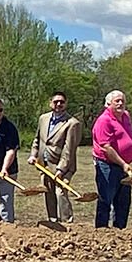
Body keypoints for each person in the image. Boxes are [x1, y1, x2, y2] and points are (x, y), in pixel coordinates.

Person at [29, 92, 81, 224]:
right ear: (50, 102)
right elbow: (37, 139)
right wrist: (33, 155)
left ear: (66, 104)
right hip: (44, 164)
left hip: (63, 165)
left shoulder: (72, 123)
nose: (58, 104)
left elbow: (69, 149)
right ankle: (52, 220)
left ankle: (67, 222)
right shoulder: (43, 118)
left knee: (60, 192)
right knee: (49, 192)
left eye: (62, 102)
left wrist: (61, 169)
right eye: (56, 101)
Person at [91, 90, 132, 229]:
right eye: (117, 101)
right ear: (108, 103)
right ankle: (102, 230)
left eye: (122, 100)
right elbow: (106, 147)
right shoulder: (104, 121)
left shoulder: (126, 116)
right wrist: (123, 163)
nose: (120, 103)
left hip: (124, 166)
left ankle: (120, 230)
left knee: (123, 201)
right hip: (107, 165)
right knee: (106, 198)